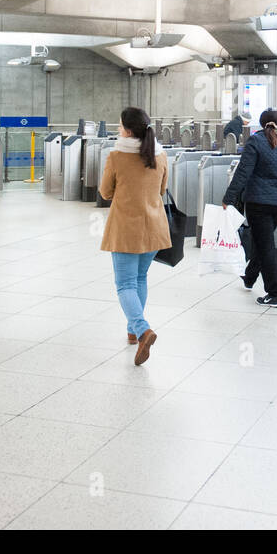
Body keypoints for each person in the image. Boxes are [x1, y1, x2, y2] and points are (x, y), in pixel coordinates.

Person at [98, 106, 169, 366]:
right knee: (140, 278)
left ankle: (142, 330)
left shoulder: (117, 156)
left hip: (126, 229)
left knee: (125, 284)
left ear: (127, 130)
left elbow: (105, 192)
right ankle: (132, 330)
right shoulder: (160, 155)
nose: (118, 129)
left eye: (119, 126)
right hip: (154, 227)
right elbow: (163, 189)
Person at [221, 108, 277, 308]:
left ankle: (274, 293)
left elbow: (243, 173)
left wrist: (229, 198)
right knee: (263, 240)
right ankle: (250, 277)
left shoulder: (255, 141)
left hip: (258, 202)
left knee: (266, 245)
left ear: (260, 123)